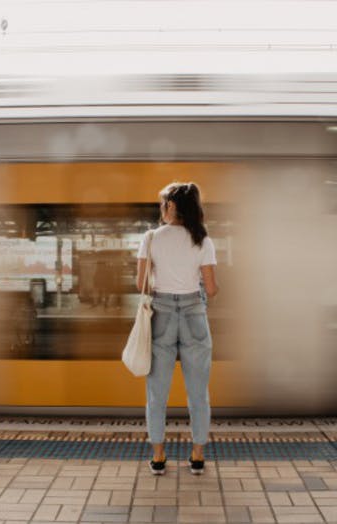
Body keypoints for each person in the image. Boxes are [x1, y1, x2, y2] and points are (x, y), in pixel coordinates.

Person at [136, 182, 219, 476]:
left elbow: (140, 283)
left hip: (162, 315)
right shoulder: (203, 240)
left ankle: (158, 457)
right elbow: (211, 289)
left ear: (171, 206)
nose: (161, 209)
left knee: (156, 393)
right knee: (198, 393)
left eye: (163, 204)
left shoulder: (150, 238)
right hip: (194, 314)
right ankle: (197, 456)